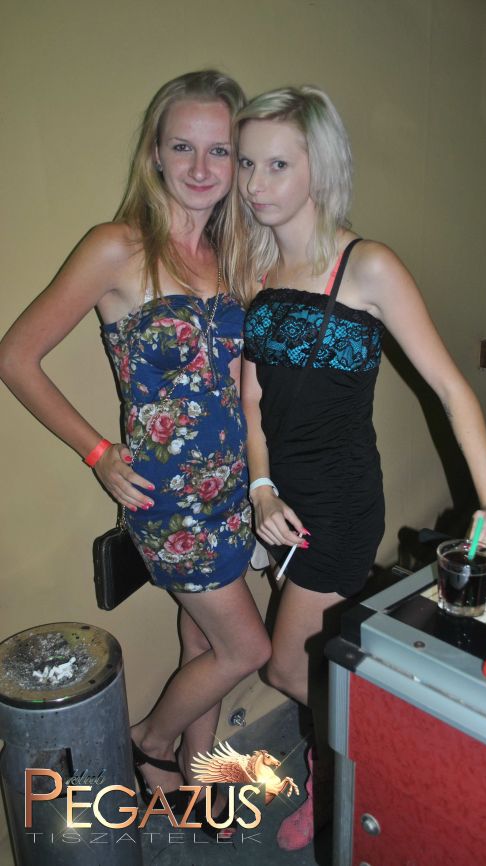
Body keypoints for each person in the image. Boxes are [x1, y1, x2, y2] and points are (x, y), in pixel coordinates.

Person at [222, 85, 486, 849]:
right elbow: (252, 403)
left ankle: (354, 769)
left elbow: (449, 386)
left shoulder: (368, 265)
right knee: (313, 660)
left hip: (340, 506)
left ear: (319, 167)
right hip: (283, 505)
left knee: (288, 670)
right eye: (247, 163)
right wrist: (259, 490)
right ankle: (346, 753)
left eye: (277, 164)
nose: (254, 183)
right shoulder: (259, 271)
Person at [0, 70, 271, 827]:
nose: (200, 168)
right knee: (245, 649)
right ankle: (149, 742)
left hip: (233, 489)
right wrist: (96, 451)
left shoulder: (232, 256)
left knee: (201, 639)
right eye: (183, 147)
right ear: (155, 152)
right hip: (167, 501)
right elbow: (15, 357)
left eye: (219, 150)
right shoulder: (117, 247)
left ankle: (195, 785)